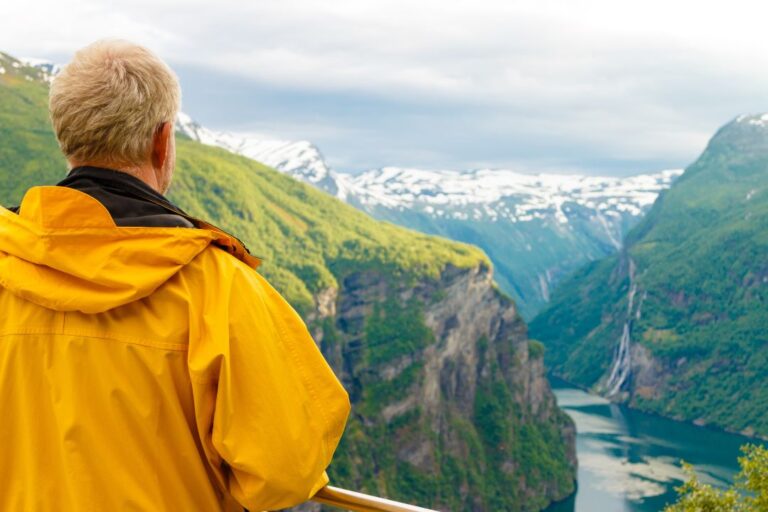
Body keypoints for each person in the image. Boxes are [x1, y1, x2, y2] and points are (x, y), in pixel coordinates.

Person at [0, 39, 350, 511]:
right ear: (162, 141)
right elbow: (285, 472)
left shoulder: (7, 265)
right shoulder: (217, 289)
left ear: (66, 138)